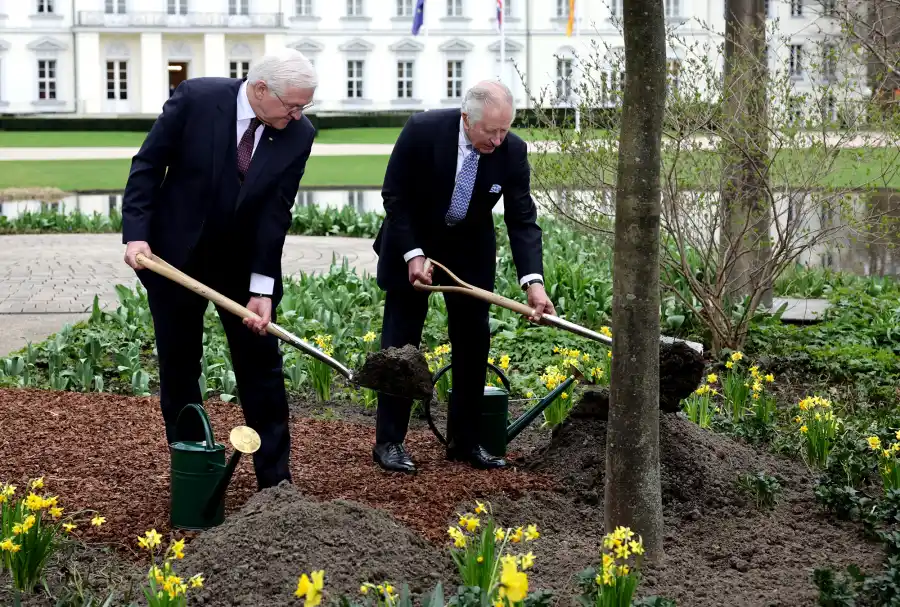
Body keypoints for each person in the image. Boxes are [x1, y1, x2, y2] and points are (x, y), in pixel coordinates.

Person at [120, 49, 317, 490]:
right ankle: (195, 477)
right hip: (174, 260)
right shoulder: (195, 99)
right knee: (179, 368)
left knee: (261, 368)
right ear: (261, 89)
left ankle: (275, 486)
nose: (299, 114)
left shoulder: (298, 133)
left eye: (305, 106)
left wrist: (262, 289)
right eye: (292, 104)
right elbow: (148, 166)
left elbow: (275, 214)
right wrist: (136, 234)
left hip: (243, 267)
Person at [371, 80, 556, 473]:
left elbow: (522, 219)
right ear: (466, 119)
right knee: (401, 345)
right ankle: (389, 442)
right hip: (412, 242)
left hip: (469, 252)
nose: (498, 139)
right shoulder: (422, 131)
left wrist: (533, 283)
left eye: (505, 129)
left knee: (473, 342)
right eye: (490, 131)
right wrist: (414, 254)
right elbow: (395, 196)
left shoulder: (513, 150)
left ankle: (465, 442)